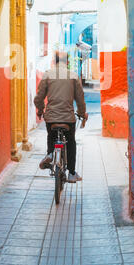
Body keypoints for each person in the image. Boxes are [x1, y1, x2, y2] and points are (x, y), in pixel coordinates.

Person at [34, 51, 88, 183]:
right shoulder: (73, 76)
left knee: (51, 135)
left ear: (54, 61)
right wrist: (82, 114)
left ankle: (50, 153)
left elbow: (39, 98)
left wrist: (40, 110)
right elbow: (80, 100)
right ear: (67, 62)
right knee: (71, 142)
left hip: (51, 116)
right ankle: (72, 173)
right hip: (68, 118)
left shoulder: (47, 75)